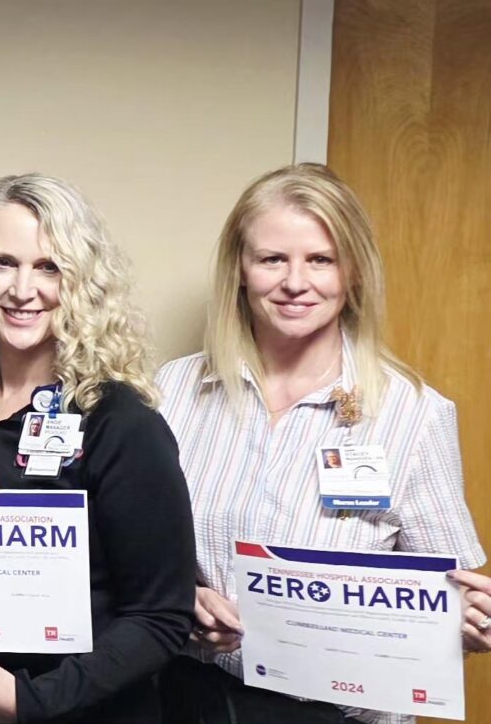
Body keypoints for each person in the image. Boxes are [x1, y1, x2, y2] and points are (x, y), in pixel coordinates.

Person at [155, 164, 488, 724]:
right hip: (187, 696)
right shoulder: (173, 391)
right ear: (240, 267)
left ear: (352, 271)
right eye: (272, 259)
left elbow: (442, 590)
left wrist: (463, 621)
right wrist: (179, 601)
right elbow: (127, 551)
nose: (295, 281)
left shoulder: (415, 414)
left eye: (320, 259)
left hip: (335, 714)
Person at [0, 174, 193, 723]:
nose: (22, 289)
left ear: (80, 281)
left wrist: (31, 701)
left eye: (49, 267)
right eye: (2, 263)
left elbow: (161, 617)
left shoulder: (120, 420)